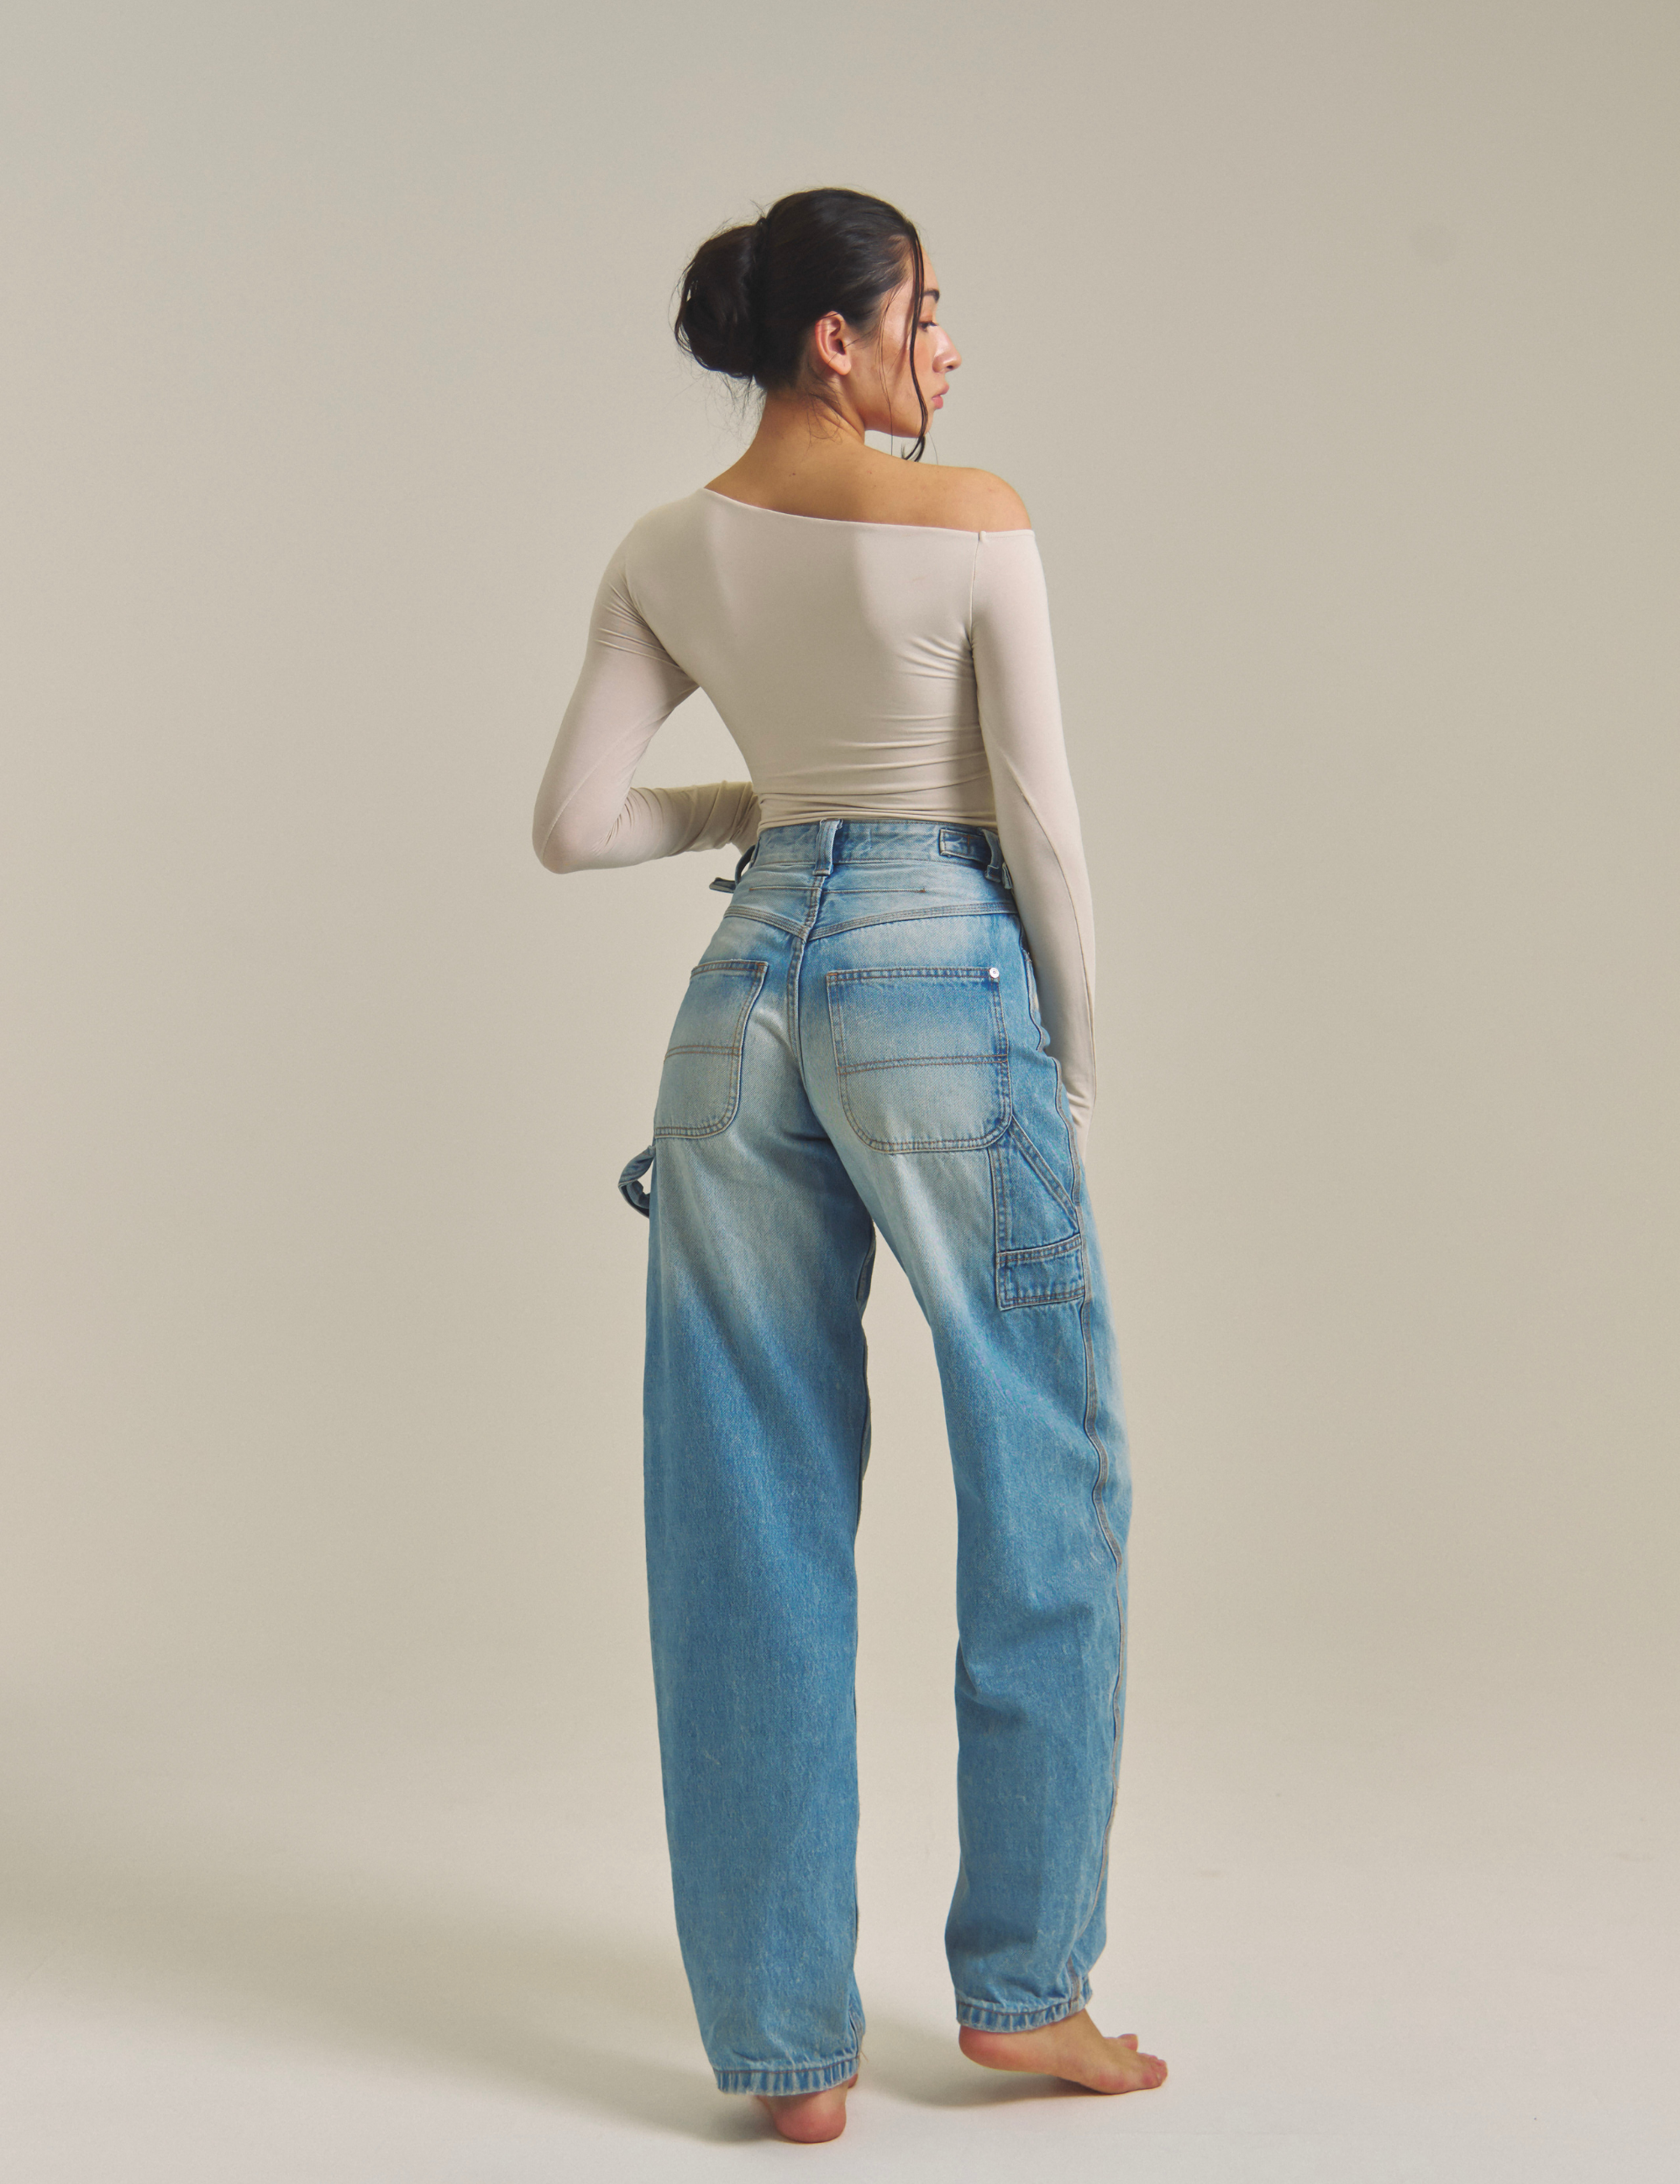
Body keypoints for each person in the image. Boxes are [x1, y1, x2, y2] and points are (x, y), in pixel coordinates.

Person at [532, 186, 1165, 2145]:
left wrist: (764, 804)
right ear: (840, 337)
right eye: (924, 310)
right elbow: (1040, 825)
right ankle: (1027, 1992)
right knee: (1043, 1471)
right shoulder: (969, 517)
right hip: (937, 983)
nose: (945, 347)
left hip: (740, 1002)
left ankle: (787, 2052)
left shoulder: (662, 549)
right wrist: (1073, 1071)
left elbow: (573, 823)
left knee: (743, 1512)